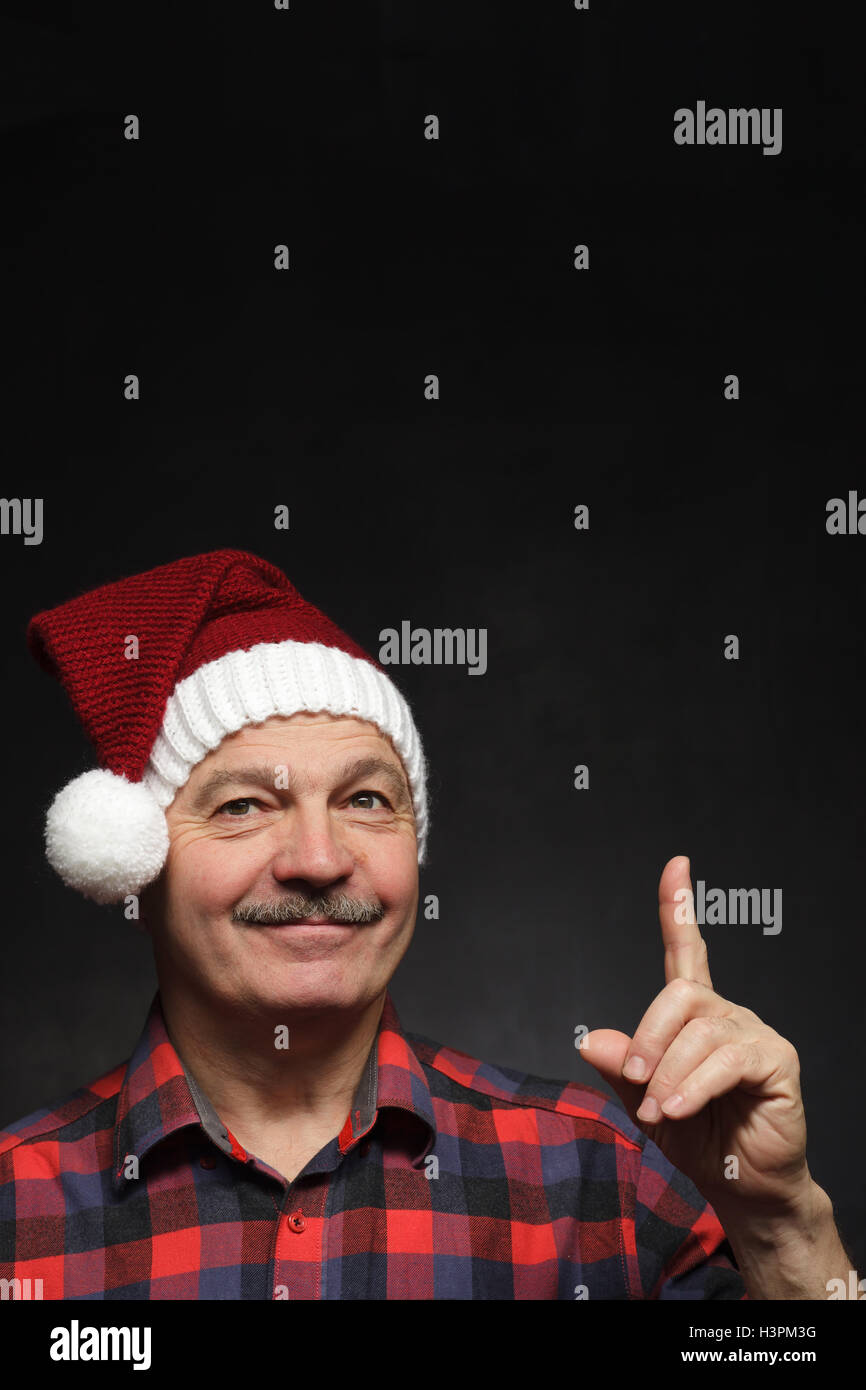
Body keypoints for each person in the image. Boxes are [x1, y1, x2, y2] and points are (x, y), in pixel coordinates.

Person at [0, 548, 852, 1299]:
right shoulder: (15, 1211)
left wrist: (782, 1227)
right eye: (244, 805)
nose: (319, 858)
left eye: (366, 799)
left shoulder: (606, 1182)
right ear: (134, 866)